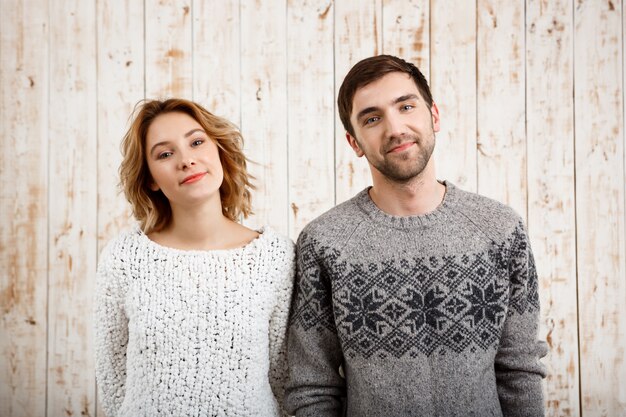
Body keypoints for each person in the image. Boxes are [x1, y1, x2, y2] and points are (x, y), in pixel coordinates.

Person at [285, 55, 548, 417]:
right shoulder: (325, 242)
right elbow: (312, 387)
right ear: (354, 142)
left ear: (434, 116)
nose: (395, 128)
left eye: (406, 106)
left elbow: (519, 372)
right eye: (372, 118)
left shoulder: (500, 229)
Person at [95, 98, 295, 417]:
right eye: (165, 153)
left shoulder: (276, 256)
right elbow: (112, 379)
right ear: (150, 178)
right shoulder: (124, 258)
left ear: (218, 151)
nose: (186, 160)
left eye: (197, 142)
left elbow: (284, 378)